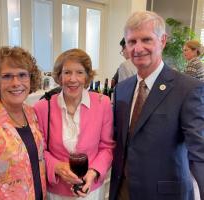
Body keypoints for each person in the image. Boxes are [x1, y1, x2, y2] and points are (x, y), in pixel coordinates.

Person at [109, 11, 204, 200]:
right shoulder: (122, 89)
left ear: (163, 40)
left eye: (146, 39)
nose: (138, 48)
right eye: (132, 42)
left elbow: (200, 152)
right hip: (124, 191)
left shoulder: (187, 89)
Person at [34, 48, 114, 199]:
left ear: (87, 76)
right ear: (59, 76)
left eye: (79, 72)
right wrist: (57, 167)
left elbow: (107, 147)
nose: (73, 79)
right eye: (67, 72)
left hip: (90, 189)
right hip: (56, 190)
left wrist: (93, 172)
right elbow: (39, 151)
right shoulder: (43, 107)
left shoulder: (102, 103)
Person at [0, 46, 47, 199]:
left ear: (31, 78)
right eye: (7, 76)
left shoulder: (30, 112)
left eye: (22, 75)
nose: (16, 83)